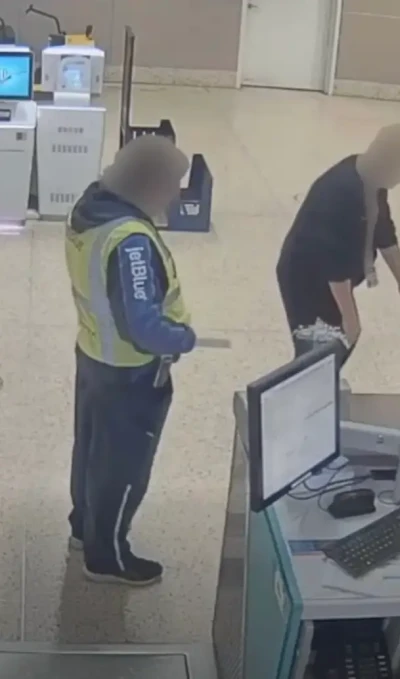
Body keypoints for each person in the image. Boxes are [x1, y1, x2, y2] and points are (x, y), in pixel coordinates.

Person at [65, 134, 196, 586]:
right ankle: (108, 558)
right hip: (131, 373)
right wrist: (182, 338)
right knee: (122, 467)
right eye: (174, 183)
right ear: (149, 184)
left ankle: (84, 528)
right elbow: (142, 325)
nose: (179, 193)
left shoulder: (91, 207)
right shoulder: (132, 241)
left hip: (93, 354)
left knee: (91, 451)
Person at [276, 124, 400, 362]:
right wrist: (349, 316)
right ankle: (301, 393)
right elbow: (334, 263)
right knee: (319, 353)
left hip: (329, 275)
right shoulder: (343, 192)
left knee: (333, 349)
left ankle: (314, 388)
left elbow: (383, 230)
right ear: (390, 163)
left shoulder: (371, 177)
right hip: (306, 279)